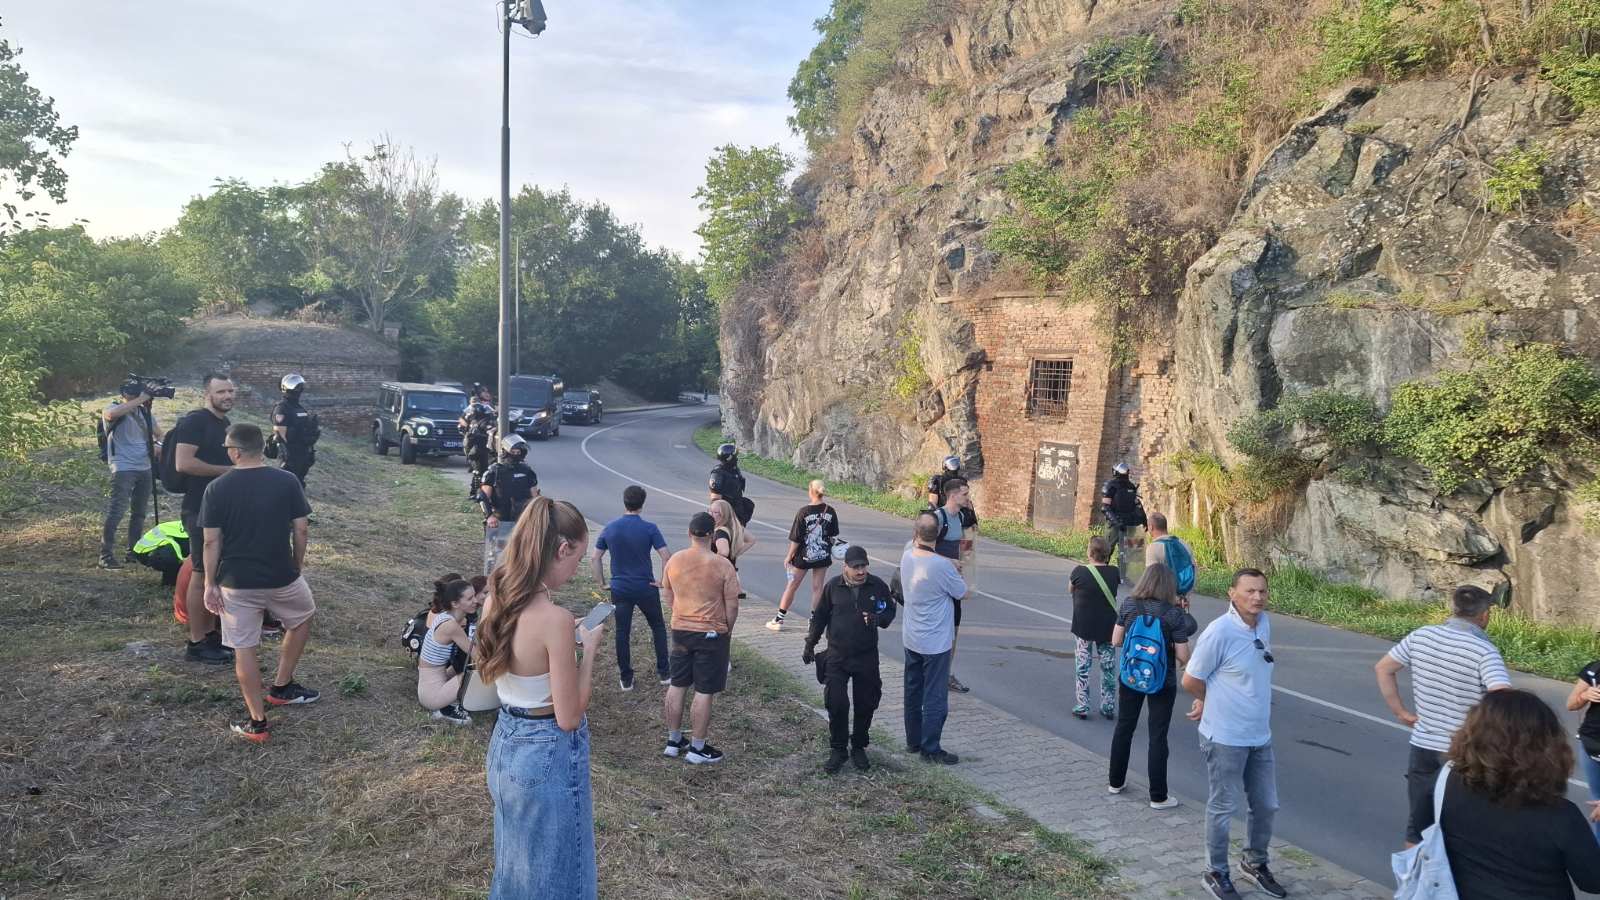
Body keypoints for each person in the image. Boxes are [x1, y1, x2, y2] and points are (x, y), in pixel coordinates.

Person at [473, 496, 602, 900]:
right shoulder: (555, 620)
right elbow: (569, 716)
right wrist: (589, 650)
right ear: (562, 549)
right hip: (546, 752)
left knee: (515, 868)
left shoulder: (496, 598)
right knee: (560, 875)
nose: (576, 569)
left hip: (505, 743)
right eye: (577, 558)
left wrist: (564, 641)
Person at [1414, 689, 1600, 900]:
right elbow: (1593, 881)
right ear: (1548, 748)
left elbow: (1421, 831)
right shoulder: (1561, 816)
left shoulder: (1444, 783)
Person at [199, 424, 319, 743]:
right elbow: (301, 529)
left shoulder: (217, 488)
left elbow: (211, 542)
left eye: (228, 449)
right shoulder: (287, 480)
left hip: (236, 581)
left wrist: (210, 583)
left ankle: (258, 723)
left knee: (244, 649)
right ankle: (281, 685)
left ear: (236, 452)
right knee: (303, 617)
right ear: (261, 448)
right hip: (282, 575)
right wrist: (297, 564)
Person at [1374, 585, 1511, 847]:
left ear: (1454, 608)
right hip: (1466, 751)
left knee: (1419, 825)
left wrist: (1400, 712)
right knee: (1464, 825)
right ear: (1484, 615)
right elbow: (1504, 698)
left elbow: (1383, 668)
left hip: (1424, 745)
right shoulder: (1484, 651)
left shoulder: (1421, 636)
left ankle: (1415, 873)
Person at [1183, 568, 1285, 900]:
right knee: (1223, 807)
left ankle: (1254, 863)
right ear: (1232, 594)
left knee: (1266, 804)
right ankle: (1215, 871)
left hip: (1260, 735)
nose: (1257, 597)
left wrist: (1208, 697)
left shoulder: (1263, 622)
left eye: (1262, 591)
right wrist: (1208, 700)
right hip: (1225, 736)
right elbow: (1191, 679)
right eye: (1250, 591)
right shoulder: (1219, 632)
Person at [1108, 563, 1195, 809]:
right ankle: (1158, 796)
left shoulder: (1129, 604)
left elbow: (1115, 640)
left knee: (1124, 728)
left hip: (1131, 677)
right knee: (1157, 736)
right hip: (1162, 682)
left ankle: (1115, 782)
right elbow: (1183, 656)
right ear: (1169, 586)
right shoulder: (1173, 614)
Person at [803, 545, 895, 774]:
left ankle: (859, 746)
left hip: (866, 656)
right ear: (845, 567)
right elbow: (820, 617)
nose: (861, 571)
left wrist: (877, 619)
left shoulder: (877, 586)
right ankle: (838, 749)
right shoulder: (833, 587)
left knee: (866, 703)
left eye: (864, 566)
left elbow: (888, 612)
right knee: (836, 702)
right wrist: (810, 644)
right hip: (837, 655)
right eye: (856, 567)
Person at [660, 512, 740, 765]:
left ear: (689, 533)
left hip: (681, 630)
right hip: (711, 633)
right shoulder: (722, 565)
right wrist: (726, 629)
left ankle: (673, 741)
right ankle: (697, 747)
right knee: (704, 690)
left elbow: (667, 593)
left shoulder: (674, 560)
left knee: (677, 684)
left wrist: (680, 614)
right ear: (713, 535)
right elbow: (732, 605)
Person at [171, 373, 235, 664]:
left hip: (220, 509)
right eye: (221, 391)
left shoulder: (223, 423)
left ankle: (210, 635)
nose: (227, 396)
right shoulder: (195, 421)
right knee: (201, 574)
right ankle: (196, 643)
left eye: (230, 391)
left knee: (214, 573)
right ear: (207, 394)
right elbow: (183, 463)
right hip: (198, 509)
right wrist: (228, 472)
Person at [900, 511, 968, 765]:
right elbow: (961, 592)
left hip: (911, 636)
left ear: (915, 533)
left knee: (913, 690)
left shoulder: (907, 555)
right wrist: (954, 567)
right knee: (935, 695)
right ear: (939, 534)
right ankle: (931, 748)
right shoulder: (942, 566)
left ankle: (913, 740)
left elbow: (920, 549)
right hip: (936, 641)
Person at [591, 485, 672, 692]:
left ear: (624, 502)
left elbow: (595, 558)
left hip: (620, 588)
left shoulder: (610, 528)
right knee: (658, 627)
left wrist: (602, 583)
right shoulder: (650, 528)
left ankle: (626, 678)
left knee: (622, 632)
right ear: (642, 504)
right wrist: (662, 581)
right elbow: (666, 555)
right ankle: (664, 672)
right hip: (646, 587)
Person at [100, 381, 163, 570]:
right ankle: (105, 556)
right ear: (122, 394)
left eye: (136, 392)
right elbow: (111, 415)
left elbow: (160, 434)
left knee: (139, 512)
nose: (133, 395)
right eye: (130, 392)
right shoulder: (113, 408)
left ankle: (133, 552)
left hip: (145, 466)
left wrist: (158, 446)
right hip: (122, 466)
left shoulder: (144, 413)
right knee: (117, 511)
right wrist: (142, 398)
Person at [767, 480, 838, 631]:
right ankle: (814, 620)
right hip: (822, 554)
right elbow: (833, 534)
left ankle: (779, 618)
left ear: (811, 491)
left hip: (803, 556)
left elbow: (796, 538)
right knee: (818, 587)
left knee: (792, 585)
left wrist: (789, 555)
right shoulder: (830, 511)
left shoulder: (804, 512)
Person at [1068, 536, 1123, 720]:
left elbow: (1070, 589)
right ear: (1107, 554)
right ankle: (1108, 706)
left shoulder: (1079, 571)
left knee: (1083, 666)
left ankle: (1082, 705)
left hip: (1083, 626)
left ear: (1089, 553)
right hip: (1107, 627)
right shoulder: (1114, 572)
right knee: (1108, 667)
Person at [931, 477, 976, 693]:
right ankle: (933, 673)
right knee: (936, 630)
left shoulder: (962, 516)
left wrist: (965, 559)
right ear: (952, 495)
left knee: (954, 629)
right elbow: (921, 549)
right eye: (965, 494)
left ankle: (946, 674)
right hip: (937, 584)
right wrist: (949, 561)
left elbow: (965, 545)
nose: (968, 497)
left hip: (953, 582)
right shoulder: (937, 518)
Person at [417, 576, 481, 725]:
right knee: (474, 675)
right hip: (433, 696)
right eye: (470, 598)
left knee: (468, 667)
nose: (475, 601)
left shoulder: (444, 616)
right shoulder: (450, 626)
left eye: (475, 596)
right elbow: (477, 655)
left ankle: (449, 705)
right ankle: (445, 710)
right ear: (455, 603)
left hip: (432, 683)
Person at [1567, 658, 1600, 841]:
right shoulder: (1595, 669)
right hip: (1591, 744)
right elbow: (1571, 704)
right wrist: (1586, 695)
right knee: (1597, 802)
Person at [271, 373, 320, 487]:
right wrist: (288, 456)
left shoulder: (299, 408)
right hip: (291, 455)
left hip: (303, 452)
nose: (299, 390)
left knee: (299, 483)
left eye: (300, 387)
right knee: (287, 484)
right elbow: (280, 435)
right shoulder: (282, 408)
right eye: (297, 387)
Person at [480, 434, 539, 529]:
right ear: (505, 451)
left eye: (518, 452)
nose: (515, 454)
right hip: (499, 519)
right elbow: (483, 497)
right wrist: (489, 516)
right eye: (513, 451)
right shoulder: (494, 471)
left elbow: (535, 497)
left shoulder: (527, 471)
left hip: (523, 519)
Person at [1100, 462, 1146, 577]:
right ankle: (1101, 574)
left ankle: (1123, 576)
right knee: (1107, 549)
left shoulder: (1130, 486)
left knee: (1127, 551)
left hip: (1129, 524)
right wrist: (1116, 522)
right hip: (1114, 523)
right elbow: (1105, 508)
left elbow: (1137, 504)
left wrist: (1143, 518)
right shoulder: (1111, 486)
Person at [708, 498, 754, 599]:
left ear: (723, 515)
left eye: (715, 512)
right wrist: (735, 552)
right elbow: (751, 540)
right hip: (730, 573)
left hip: (719, 575)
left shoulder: (720, 532)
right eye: (709, 511)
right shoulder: (735, 527)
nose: (710, 514)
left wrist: (710, 562)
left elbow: (724, 552)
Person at [1145, 513, 1196, 603]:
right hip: (1183, 600)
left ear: (1151, 527)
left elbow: (1152, 579)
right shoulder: (1184, 544)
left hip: (1163, 602)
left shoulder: (1153, 548)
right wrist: (1184, 598)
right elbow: (1193, 570)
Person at [460, 388, 496, 499]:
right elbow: (462, 424)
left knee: (480, 472)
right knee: (480, 472)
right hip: (478, 450)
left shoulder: (483, 420)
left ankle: (477, 493)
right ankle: (476, 493)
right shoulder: (476, 421)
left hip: (480, 450)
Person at [708, 442, 751, 525]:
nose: (737, 458)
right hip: (727, 511)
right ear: (729, 458)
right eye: (735, 456)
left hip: (736, 506)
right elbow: (715, 498)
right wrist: (722, 517)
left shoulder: (734, 470)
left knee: (748, 505)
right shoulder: (718, 474)